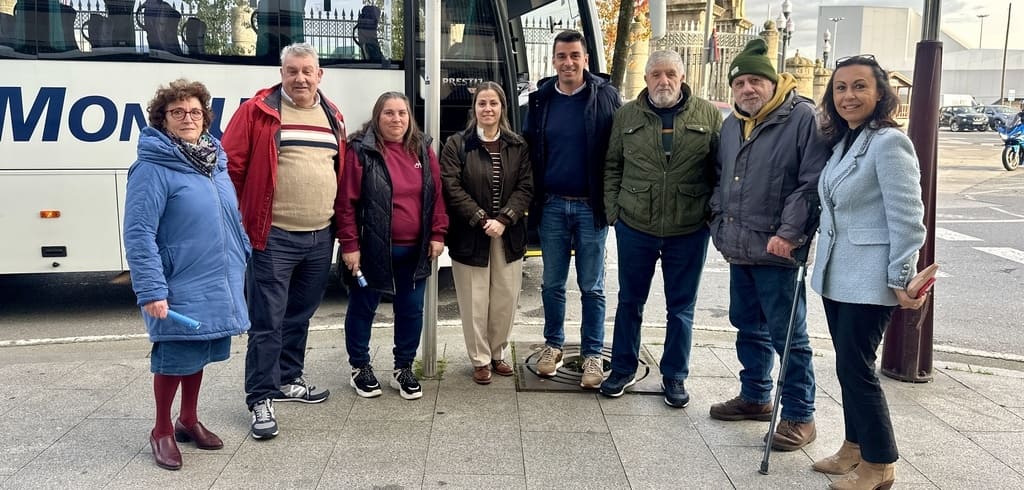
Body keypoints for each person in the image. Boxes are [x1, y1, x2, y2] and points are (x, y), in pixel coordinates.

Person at [811, 54, 928, 490]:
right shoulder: (846, 142)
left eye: (859, 86)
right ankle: (854, 447)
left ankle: (880, 464)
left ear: (880, 94)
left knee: (858, 369)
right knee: (847, 366)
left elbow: (908, 216)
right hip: (837, 275)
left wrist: (901, 276)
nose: (848, 96)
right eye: (840, 88)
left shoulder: (888, 143)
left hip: (871, 279)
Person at [708, 38, 829, 451]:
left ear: (773, 82)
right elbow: (721, 180)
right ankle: (756, 395)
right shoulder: (731, 125)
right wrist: (717, 223)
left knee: (789, 336)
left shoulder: (801, 119)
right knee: (748, 326)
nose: (747, 89)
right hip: (739, 247)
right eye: (740, 82)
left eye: (756, 80)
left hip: (779, 251)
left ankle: (800, 415)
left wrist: (789, 234)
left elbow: (811, 184)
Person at [124, 79, 250, 470]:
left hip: (218, 277)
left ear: (206, 118)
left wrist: (243, 251)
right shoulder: (152, 168)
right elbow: (139, 232)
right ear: (162, 119)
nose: (187, 118)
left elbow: (229, 215)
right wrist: (151, 290)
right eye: (177, 112)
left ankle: (188, 420)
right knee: (174, 354)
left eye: (195, 112)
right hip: (178, 280)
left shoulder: (214, 161)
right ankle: (161, 429)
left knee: (200, 350)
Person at [222, 42, 347, 440]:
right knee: (267, 321)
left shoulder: (332, 115)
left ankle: (289, 378)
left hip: (319, 235)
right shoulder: (258, 112)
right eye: (292, 71)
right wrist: (240, 220)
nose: (300, 78)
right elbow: (231, 167)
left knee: (299, 314)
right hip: (273, 235)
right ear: (282, 74)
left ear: (319, 75)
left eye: (307, 71)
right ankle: (260, 397)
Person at [600, 50, 721, 406]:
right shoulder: (626, 116)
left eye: (670, 74)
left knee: (681, 308)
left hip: (689, 227)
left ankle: (675, 377)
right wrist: (614, 214)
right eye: (656, 74)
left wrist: (709, 216)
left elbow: (719, 171)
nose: (663, 81)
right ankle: (622, 369)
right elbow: (612, 166)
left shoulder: (708, 115)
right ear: (647, 79)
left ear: (682, 77)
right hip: (635, 224)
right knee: (629, 301)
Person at [522, 29, 621, 388]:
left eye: (574, 56)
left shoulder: (605, 96)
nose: (568, 63)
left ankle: (593, 354)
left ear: (586, 60)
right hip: (551, 207)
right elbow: (529, 147)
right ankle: (553, 345)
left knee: (592, 286)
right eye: (562, 56)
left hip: (590, 208)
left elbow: (619, 150)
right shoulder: (542, 99)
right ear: (553, 60)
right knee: (552, 283)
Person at [337, 91, 448, 400]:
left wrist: (438, 234)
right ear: (377, 116)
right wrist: (350, 245)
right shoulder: (361, 150)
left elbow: (437, 195)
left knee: (412, 310)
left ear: (409, 117)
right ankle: (360, 366)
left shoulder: (423, 150)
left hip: (416, 250)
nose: (396, 119)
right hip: (372, 249)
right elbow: (345, 203)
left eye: (402, 113)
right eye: (389, 113)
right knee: (363, 308)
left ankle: (403, 368)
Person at [440, 81, 534, 385]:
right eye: (482, 103)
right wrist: (481, 218)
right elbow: (451, 186)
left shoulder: (517, 145)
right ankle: (480, 360)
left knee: (505, 298)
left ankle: (498, 354)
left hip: (508, 234)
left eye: (494, 103)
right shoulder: (457, 144)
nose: (488, 109)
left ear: (502, 107)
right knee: (473, 300)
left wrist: (505, 219)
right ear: (474, 108)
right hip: (471, 233)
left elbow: (526, 186)